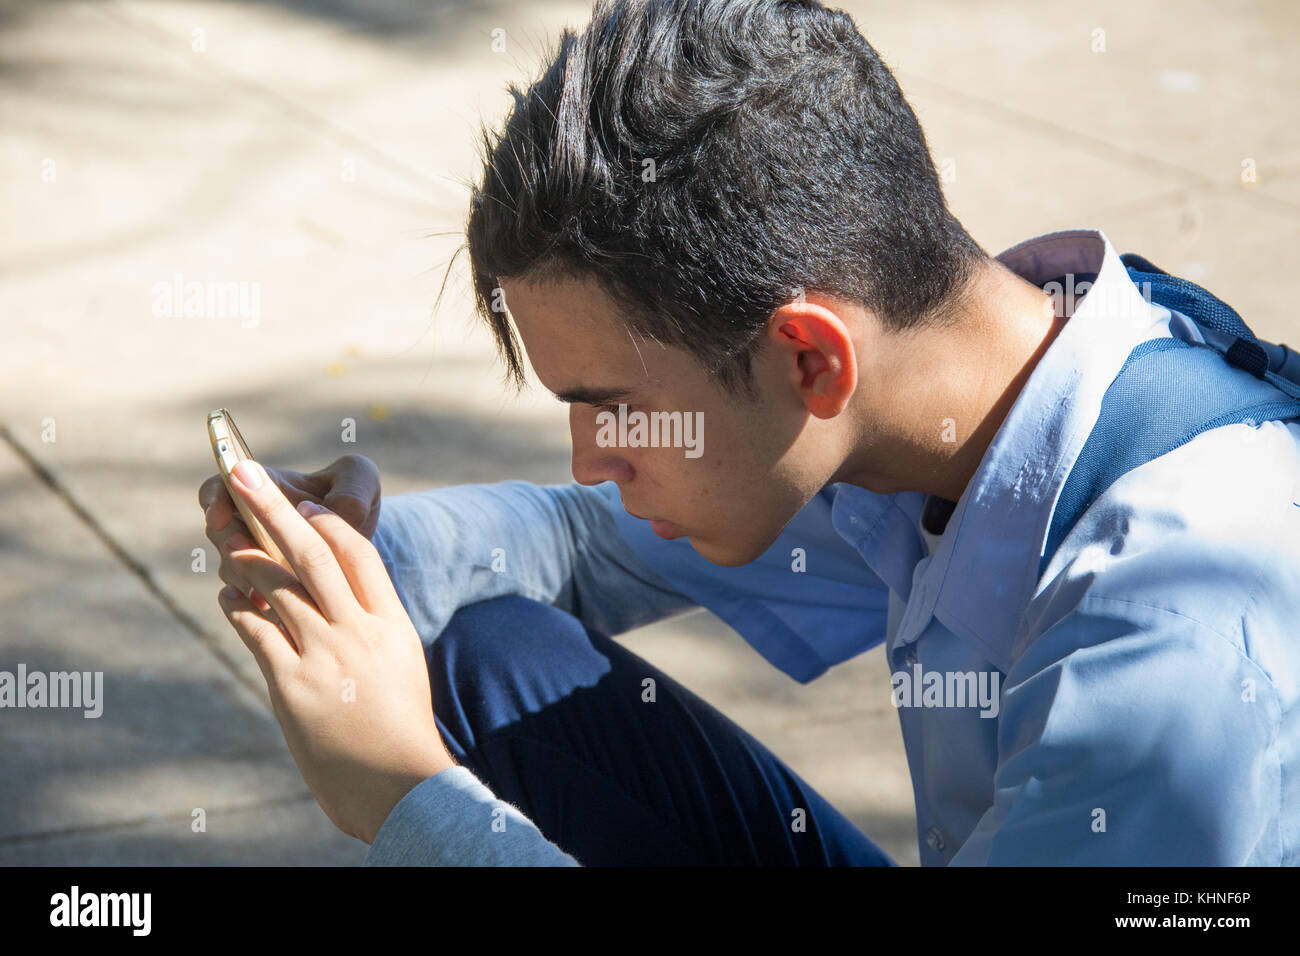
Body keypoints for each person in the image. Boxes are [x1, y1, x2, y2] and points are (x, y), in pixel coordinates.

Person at [198, 0, 1300, 865]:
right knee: (482, 657)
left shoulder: (1168, 632)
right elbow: (582, 546)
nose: (588, 458)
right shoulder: (948, 393)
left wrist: (404, 800)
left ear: (810, 356)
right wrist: (351, 557)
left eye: (612, 406)